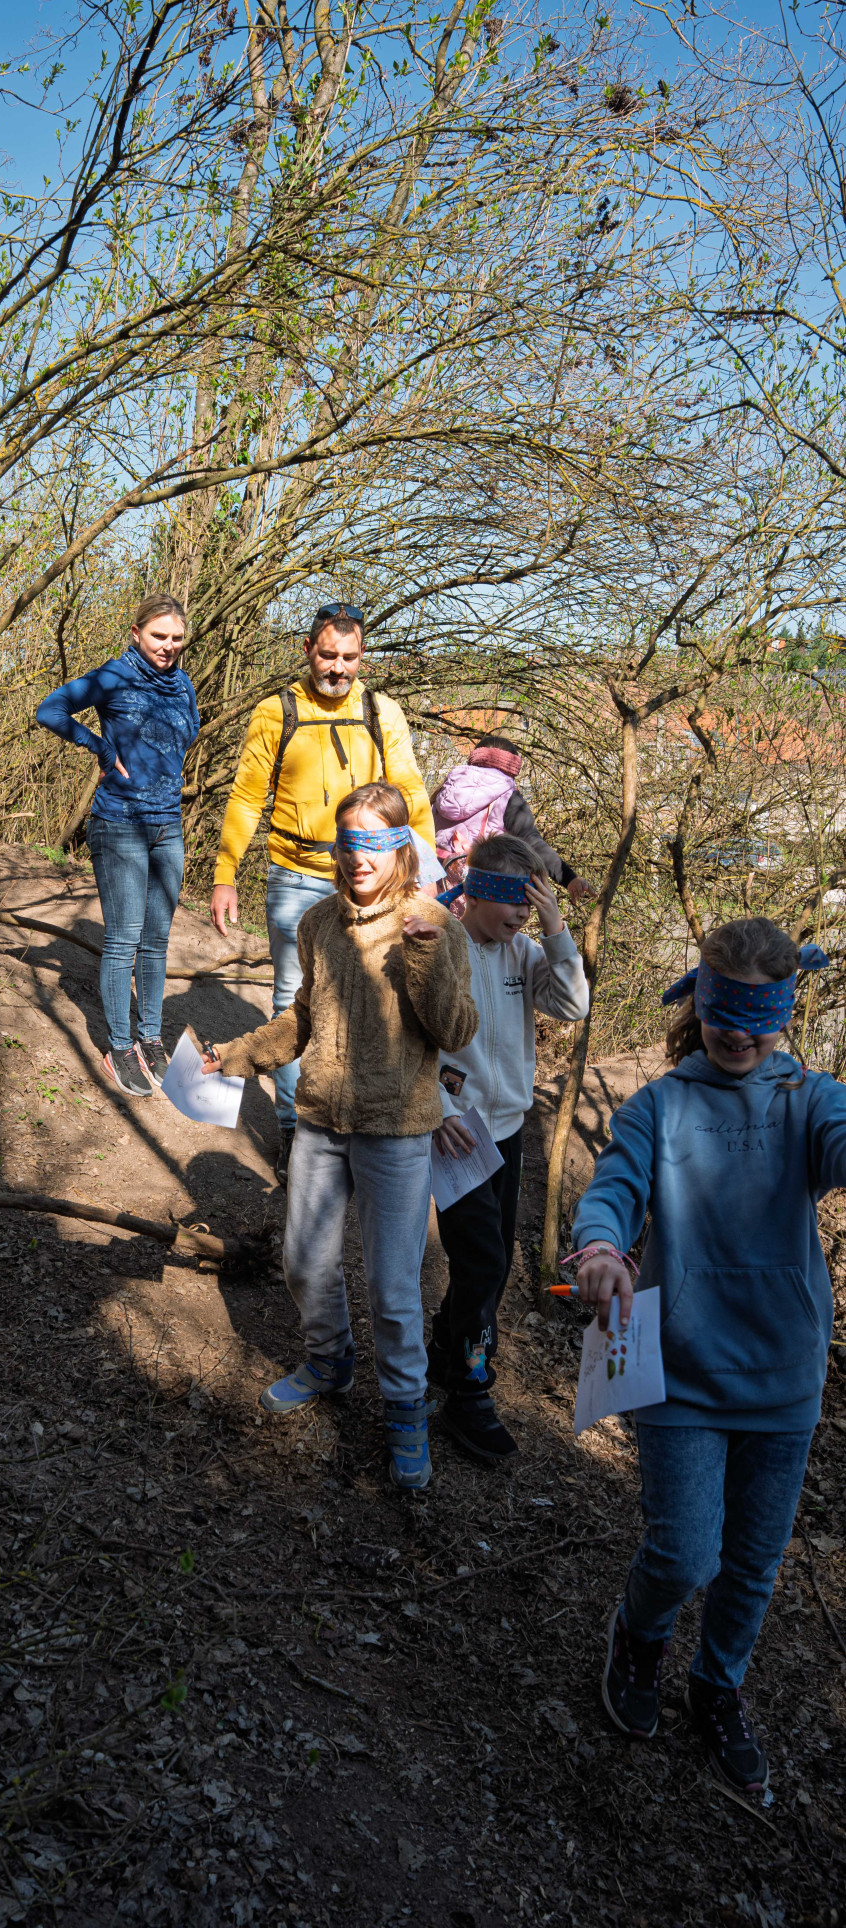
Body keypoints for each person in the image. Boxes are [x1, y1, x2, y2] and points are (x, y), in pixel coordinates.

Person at [569, 917, 843, 1800]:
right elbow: (615, 1186)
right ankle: (639, 1637)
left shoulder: (813, 1101)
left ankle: (718, 1685)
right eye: (725, 1013)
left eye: (759, 1020)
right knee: (685, 1554)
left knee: (754, 1563)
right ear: (700, 1001)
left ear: (786, 1017)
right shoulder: (660, 1106)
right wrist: (601, 1248)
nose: (738, 1035)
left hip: (784, 1376)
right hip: (681, 1371)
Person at [203, 783, 475, 1491]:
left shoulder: (435, 924)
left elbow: (456, 1031)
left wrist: (424, 958)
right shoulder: (319, 923)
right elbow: (303, 1016)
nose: (359, 857)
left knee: (393, 1288)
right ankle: (330, 1361)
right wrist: (239, 1055)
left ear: (402, 849)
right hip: (321, 1121)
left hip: (396, 1131)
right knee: (303, 1262)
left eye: (374, 843)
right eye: (348, 841)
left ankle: (406, 1409)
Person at [210, 601, 435, 1180]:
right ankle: (294, 1129)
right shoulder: (276, 712)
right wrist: (225, 872)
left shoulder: (382, 712)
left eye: (350, 658)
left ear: (363, 658)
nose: (338, 668)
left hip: (373, 879)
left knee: (374, 999)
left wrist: (427, 874)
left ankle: (361, 1120)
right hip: (295, 875)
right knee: (294, 1001)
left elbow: (410, 792)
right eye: (328, 655)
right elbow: (246, 797)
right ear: (307, 650)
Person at [429, 834, 589, 1461]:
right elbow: (410, 1037)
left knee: (488, 1260)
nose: (524, 913)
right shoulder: (440, 946)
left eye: (534, 903)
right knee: (485, 1263)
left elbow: (572, 1004)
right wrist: (440, 1109)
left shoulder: (525, 951)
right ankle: (471, 1390)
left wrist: (556, 932)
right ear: (476, 892)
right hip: (457, 1132)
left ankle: (447, 1346)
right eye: (516, 901)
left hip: (508, 1130)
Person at [35, 596, 199, 1098]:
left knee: (156, 942)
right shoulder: (114, 676)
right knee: (125, 939)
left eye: (176, 638)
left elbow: (181, 740)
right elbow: (50, 709)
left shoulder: (183, 684)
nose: (168, 646)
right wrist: (100, 748)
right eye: (158, 636)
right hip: (120, 824)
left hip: (168, 826)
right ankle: (120, 1046)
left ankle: (150, 1038)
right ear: (136, 633)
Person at [431, 736, 595, 908]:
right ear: (512, 767)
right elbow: (533, 842)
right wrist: (569, 878)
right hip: (476, 891)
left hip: (433, 883)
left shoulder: (447, 786)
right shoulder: (508, 796)